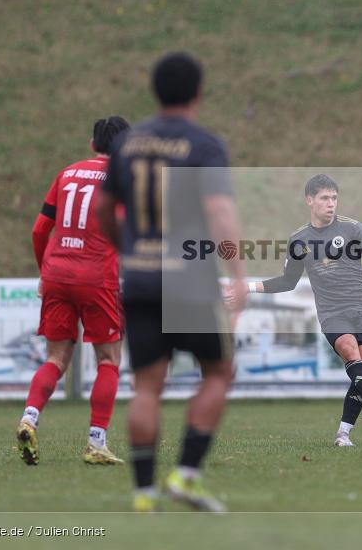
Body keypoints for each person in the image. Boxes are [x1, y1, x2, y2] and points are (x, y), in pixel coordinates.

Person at [97, 52, 247, 513]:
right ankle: (186, 474)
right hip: (190, 280)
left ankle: (144, 493)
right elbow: (221, 213)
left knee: (147, 386)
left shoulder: (129, 142)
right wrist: (237, 273)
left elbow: (104, 209)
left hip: (140, 279)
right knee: (219, 372)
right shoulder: (204, 144)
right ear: (199, 93)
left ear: (154, 91)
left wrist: (129, 249)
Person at [226, 174, 362, 447]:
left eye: (334, 198)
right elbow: (287, 281)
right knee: (349, 350)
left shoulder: (353, 229)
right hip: (332, 311)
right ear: (310, 200)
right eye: (325, 198)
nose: (331, 204)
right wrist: (249, 287)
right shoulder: (299, 240)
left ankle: (343, 434)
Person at [17, 116, 131, 467]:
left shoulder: (66, 174)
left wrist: (44, 272)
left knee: (55, 359)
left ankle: (29, 418)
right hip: (97, 277)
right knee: (109, 360)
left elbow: (39, 231)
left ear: (92, 144)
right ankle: (96, 441)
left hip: (57, 273)